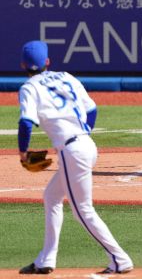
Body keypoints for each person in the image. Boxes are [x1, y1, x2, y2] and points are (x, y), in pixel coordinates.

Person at [17, 40, 133, 275]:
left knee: (83, 211)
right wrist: (83, 133)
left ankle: (120, 260)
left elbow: (26, 123)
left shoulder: (30, 87)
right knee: (51, 196)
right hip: (86, 145)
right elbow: (92, 109)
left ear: (23, 65)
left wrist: (22, 153)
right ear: (47, 62)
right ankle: (45, 260)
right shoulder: (66, 76)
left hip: (73, 151)